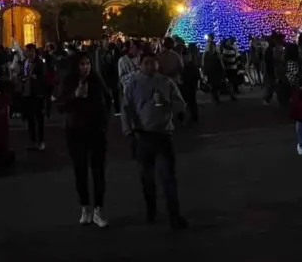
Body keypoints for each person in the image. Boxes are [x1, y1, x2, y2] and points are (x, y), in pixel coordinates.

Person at [121, 53, 188, 230]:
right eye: (146, 63)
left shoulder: (166, 82)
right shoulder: (133, 84)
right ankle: (151, 208)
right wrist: (129, 131)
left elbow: (180, 104)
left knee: (168, 177)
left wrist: (167, 104)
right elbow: (126, 109)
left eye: (153, 63)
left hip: (163, 135)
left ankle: (174, 213)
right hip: (143, 135)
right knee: (147, 177)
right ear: (140, 65)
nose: (150, 66)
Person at [57, 52, 111, 227]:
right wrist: (75, 96)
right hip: (75, 132)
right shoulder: (68, 82)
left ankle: (98, 210)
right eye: (82, 64)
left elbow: (107, 100)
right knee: (80, 171)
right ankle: (85, 207)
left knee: (98, 172)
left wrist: (104, 122)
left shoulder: (97, 80)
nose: (86, 67)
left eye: (88, 63)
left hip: (96, 131)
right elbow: (60, 105)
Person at [21, 45, 47, 150]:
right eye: (27, 51)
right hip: (27, 93)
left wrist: (35, 78)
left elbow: (43, 77)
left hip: (37, 93)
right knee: (30, 118)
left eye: (30, 51)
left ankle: (41, 140)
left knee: (39, 118)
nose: (29, 53)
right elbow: (22, 74)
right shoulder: (25, 62)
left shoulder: (39, 63)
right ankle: (33, 140)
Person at [202, 35, 229, 103]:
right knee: (214, 83)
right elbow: (219, 57)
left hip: (213, 69)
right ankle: (215, 97)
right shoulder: (212, 51)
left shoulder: (210, 51)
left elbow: (205, 57)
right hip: (213, 69)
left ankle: (215, 97)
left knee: (214, 83)